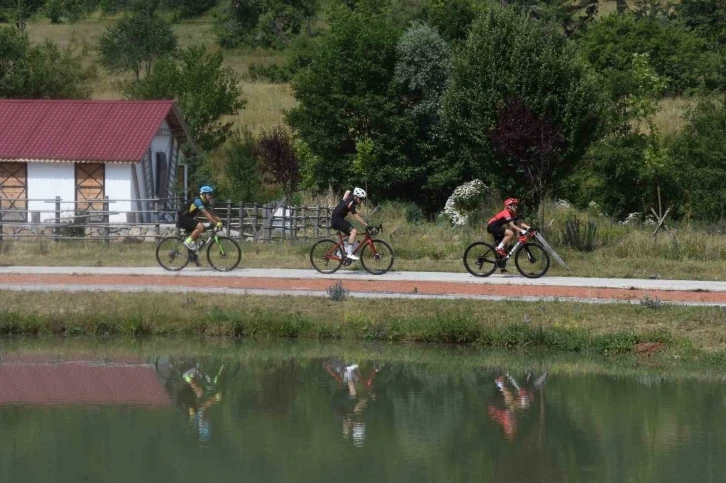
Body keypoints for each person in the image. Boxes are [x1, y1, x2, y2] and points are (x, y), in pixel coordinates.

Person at [177, 186, 224, 251]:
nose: (211, 196)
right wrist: (216, 223)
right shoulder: (198, 201)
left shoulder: (205, 202)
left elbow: (212, 213)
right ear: (204, 194)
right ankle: (187, 242)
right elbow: (206, 213)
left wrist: (220, 221)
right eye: (209, 194)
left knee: (195, 237)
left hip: (188, 218)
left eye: (211, 194)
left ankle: (192, 257)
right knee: (201, 227)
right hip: (183, 217)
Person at [331, 187, 371, 261]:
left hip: (338, 219)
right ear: (356, 197)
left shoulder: (350, 197)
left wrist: (346, 196)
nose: (361, 201)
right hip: (337, 220)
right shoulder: (350, 204)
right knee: (354, 231)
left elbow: (347, 191)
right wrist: (367, 225)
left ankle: (341, 252)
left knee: (354, 233)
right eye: (361, 199)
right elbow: (357, 217)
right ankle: (349, 254)